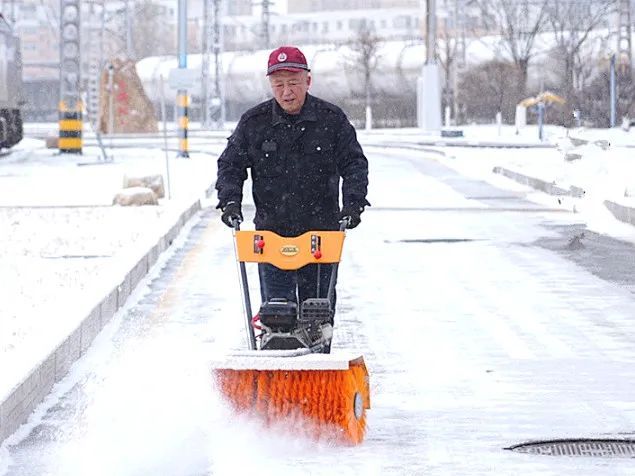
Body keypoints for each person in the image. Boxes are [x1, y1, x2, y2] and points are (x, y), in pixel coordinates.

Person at [215, 45, 370, 320]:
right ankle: (276, 357)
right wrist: (230, 202)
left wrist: (353, 204)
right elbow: (230, 164)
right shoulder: (254, 123)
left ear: (307, 81)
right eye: (279, 85)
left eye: (293, 83)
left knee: (316, 314)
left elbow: (354, 163)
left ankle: (318, 357)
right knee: (277, 314)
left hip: (321, 235)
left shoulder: (331, 120)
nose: (287, 92)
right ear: (271, 86)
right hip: (272, 233)